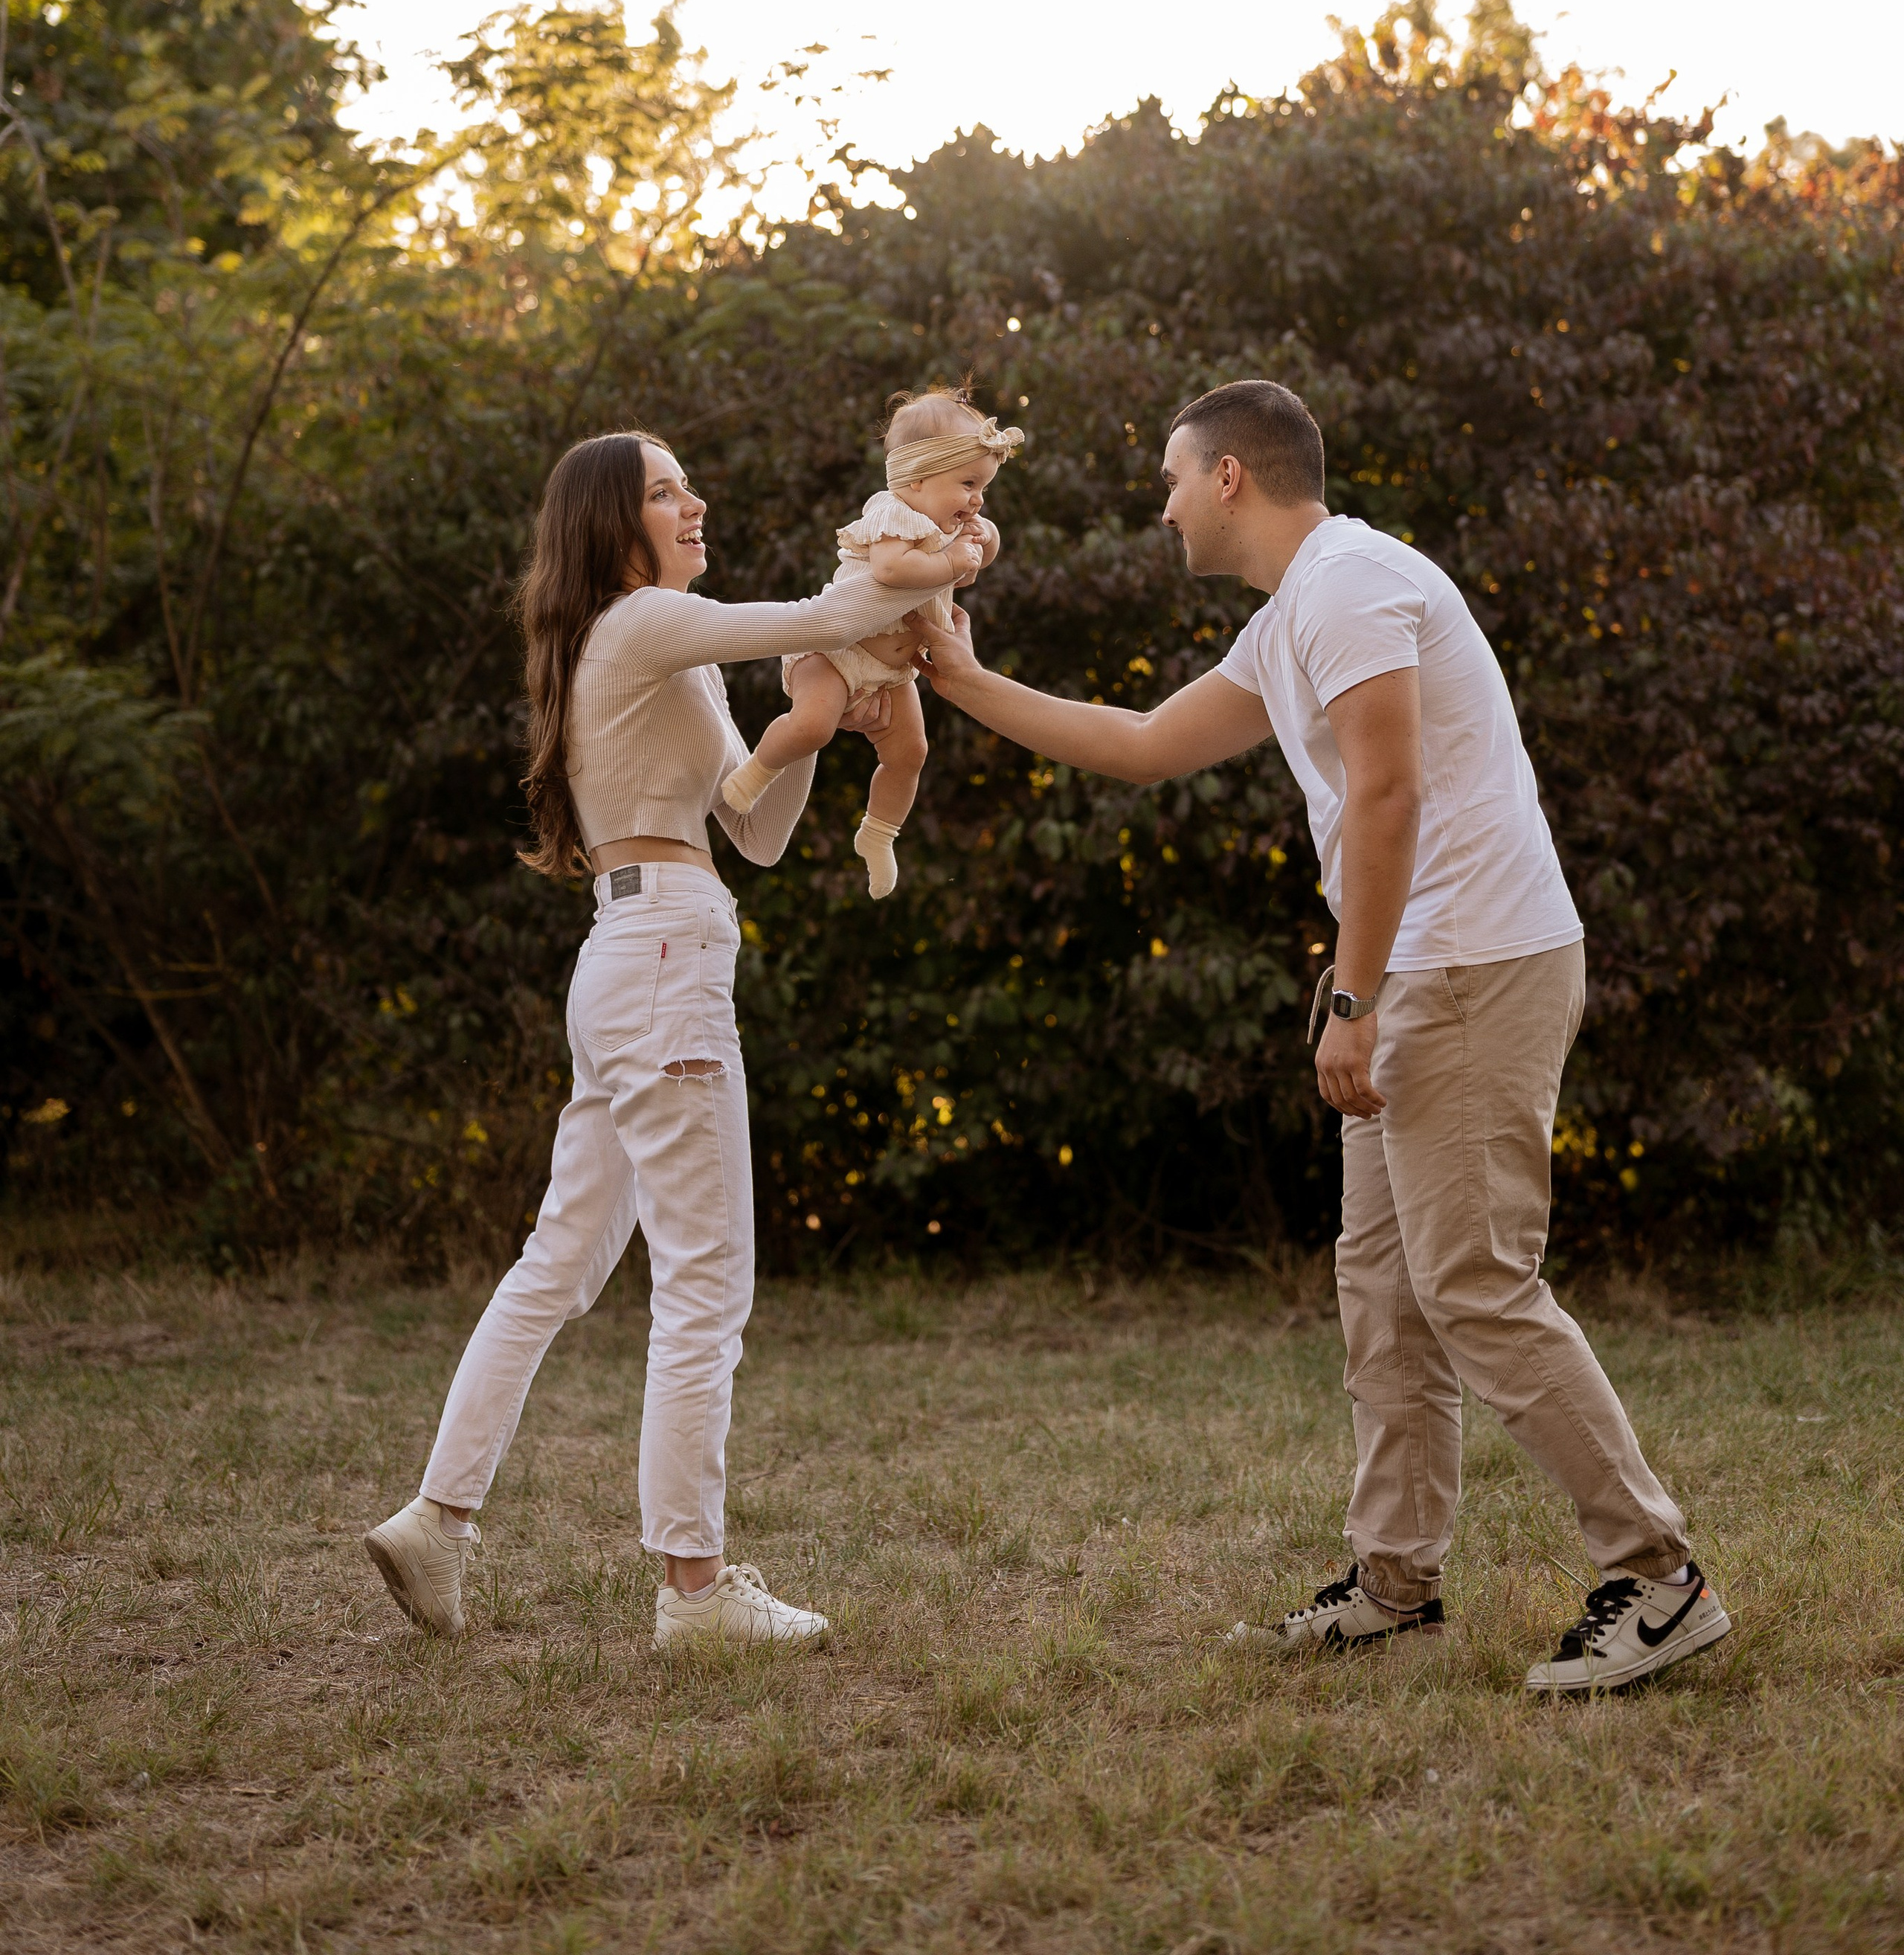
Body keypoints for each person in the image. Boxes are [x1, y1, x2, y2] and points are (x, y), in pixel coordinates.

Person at [913, 378, 1731, 1695]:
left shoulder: (1350, 583)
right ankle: (1395, 1585)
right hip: (1416, 966)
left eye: (1173, 478)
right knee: (1387, 1294)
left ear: (1231, 474)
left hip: (1465, 964)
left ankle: (1659, 1578)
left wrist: (1353, 1001)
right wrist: (958, 676)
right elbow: (1143, 743)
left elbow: (1389, 793)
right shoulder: (1296, 610)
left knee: (1475, 1282)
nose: (1164, 507)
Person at [364, 427, 954, 1651]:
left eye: (690, 482)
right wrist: (941, 543)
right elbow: (832, 607)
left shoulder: (656, 646)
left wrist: (817, 726)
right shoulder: (640, 622)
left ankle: (436, 1521)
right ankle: (694, 1590)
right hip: (665, 961)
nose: (696, 503)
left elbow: (758, 832)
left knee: (559, 1265)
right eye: (665, 490)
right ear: (612, 524)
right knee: (705, 1281)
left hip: (637, 953)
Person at [721, 391, 1022, 898]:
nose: (977, 500)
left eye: (984, 488)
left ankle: (878, 836)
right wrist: (952, 561)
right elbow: (892, 570)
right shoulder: (891, 513)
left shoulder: (947, 525)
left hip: (891, 672)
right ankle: (755, 772)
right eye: (969, 484)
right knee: (812, 726)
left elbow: (976, 560)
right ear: (917, 478)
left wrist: (984, 538)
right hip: (835, 655)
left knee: (911, 752)